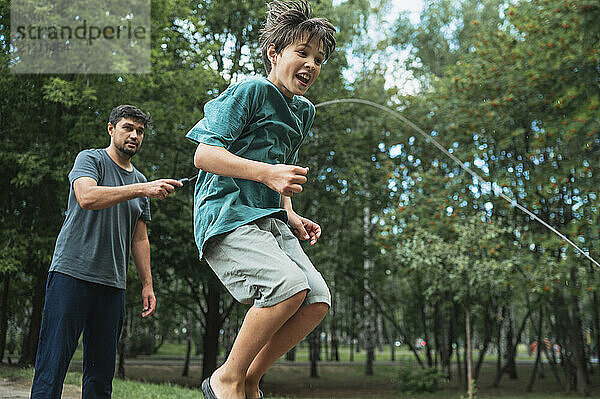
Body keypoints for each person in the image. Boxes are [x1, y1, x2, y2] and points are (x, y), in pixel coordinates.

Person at [186, 1, 336, 398]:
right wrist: (266, 172)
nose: (311, 64)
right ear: (275, 54)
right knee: (286, 285)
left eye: (318, 59)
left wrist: (290, 214)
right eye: (301, 52)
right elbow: (204, 154)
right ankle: (226, 378)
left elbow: (281, 175)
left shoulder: (303, 111)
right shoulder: (251, 90)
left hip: (270, 219)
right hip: (227, 212)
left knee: (316, 298)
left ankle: (250, 376)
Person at [30, 105, 183, 399]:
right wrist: (141, 189)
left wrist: (148, 284)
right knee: (52, 366)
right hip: (70, 275)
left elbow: (139, 240)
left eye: (140, 131)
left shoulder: (141, 181)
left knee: (100, 378)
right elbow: (87, 196)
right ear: (111, 129)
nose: (134, 135)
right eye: (128, 127)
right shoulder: (91, 159)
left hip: (112, 286)